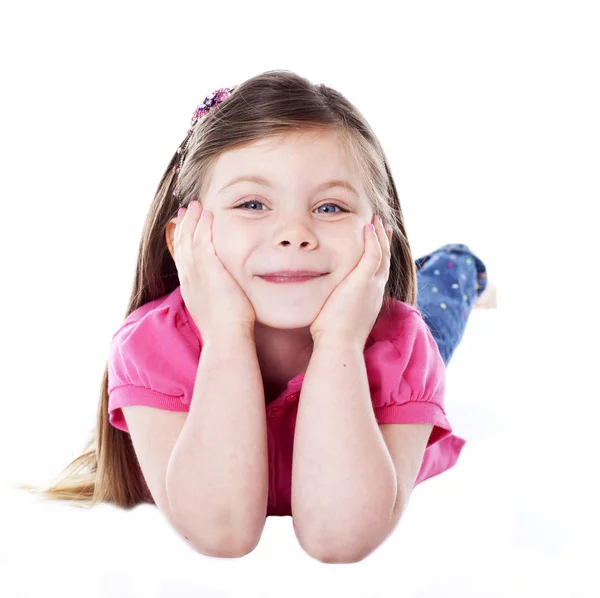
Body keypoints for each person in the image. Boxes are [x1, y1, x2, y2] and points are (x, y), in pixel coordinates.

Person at [15, 69, 496, 561]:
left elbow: (339, 537)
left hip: (375, 321)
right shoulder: (151, 346)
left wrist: (341, 340)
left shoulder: (401, 346)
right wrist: (226, 334)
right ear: (184, 237)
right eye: (252, 203)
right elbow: (222, 532)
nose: (294, 233)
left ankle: (459, 263)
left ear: (379, 241)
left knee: (440, 301)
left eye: (330, 208)